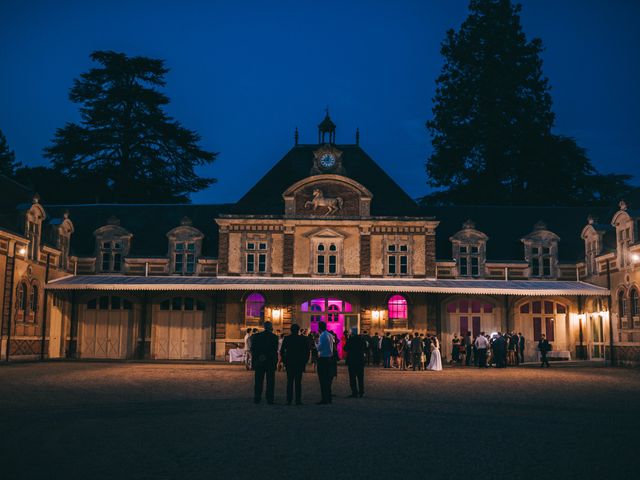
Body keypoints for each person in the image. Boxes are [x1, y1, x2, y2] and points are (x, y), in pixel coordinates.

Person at [280, 323, 310, 405]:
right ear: (298, 330)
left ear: (291, 330)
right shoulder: (303, 339)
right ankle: (298, 400)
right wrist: (304, 361)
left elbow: (282, 351)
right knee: (298, 382)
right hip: (299, 363)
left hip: (289, 362)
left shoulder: (287, 338)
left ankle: (289, 400)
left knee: (289, 382)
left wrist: (285, 361)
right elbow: (307, 352)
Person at [251, 321, 279, 404]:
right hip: (270, 362)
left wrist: (258, 357)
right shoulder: (274, 337)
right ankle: (270, 399)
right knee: (270, 382)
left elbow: (253, 349)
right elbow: (274, 351)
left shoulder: (257, 336)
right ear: (271, 327)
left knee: (258, 381)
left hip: (260, 361)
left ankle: (257, 398)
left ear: (264, 327)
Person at [344, 327, 366, 397]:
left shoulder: (351, 339)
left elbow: (345, 348)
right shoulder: (362, 339)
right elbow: (365, 347)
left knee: (352, 377)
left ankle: (355, 392)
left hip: (352, 360)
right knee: (360, 377)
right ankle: (361, 392)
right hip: (360, 360)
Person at [316, 321, 334, 404]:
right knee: (328, 380)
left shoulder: (322, 336)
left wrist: (316, 343)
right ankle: (329, 398)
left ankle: (324, 399)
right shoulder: (330, 335)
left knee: (323, 380)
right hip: (330, 359)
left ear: (319, 327)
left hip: (323, 359)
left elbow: (319, 348)